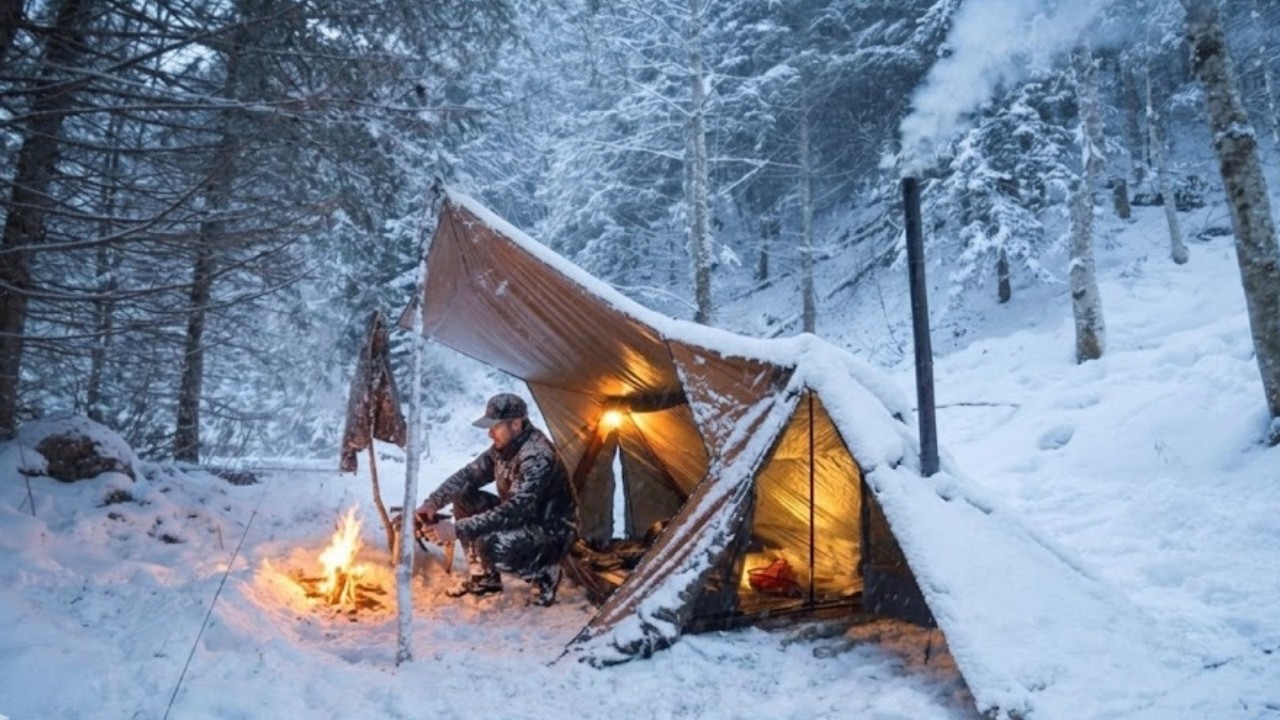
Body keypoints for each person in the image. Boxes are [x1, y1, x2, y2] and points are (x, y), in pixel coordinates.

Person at [415, 393, 578, 606]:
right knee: (464, 496)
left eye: (495, 427)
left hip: (552, 531)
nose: (490, 434)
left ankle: (545, 571)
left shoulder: (536, 456)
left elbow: (515, 510)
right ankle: (484, 578)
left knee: (491, 545)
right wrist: (433, 502)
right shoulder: (505, 448)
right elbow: (469, 475)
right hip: (523, 518)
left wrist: (457, 529)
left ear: (516, 424)